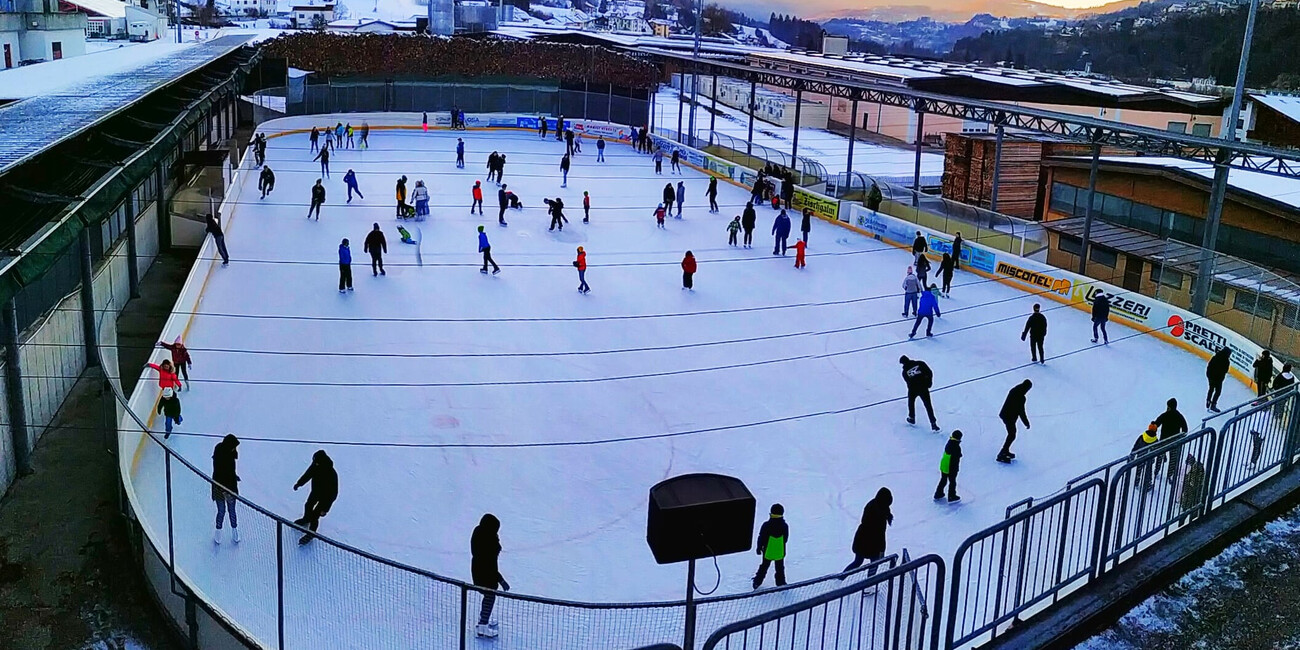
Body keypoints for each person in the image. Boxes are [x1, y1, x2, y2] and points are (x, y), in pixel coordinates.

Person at [471, 514, 511, 638]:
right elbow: (490, 567)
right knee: (489, 597)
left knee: (488, 597)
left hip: (479, 571)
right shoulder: (488, 545)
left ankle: (484, 621)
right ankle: (482, 627)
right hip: (485, 575)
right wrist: (501, 580)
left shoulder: (480, 533)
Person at [841, 488, 893, 577]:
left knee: (867, 563)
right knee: (865, 562)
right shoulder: (875, 510)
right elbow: (879, 532)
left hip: (869, 542)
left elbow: (880, 532)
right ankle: (842, 578)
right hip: (866, 541)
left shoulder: (881, 508)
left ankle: (867, 584)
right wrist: (882, 549)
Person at [292, 450, 338, 545]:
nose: (314, 463)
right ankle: (306, 519)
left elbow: (333, 493)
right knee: (308, 505)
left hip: (325, 498)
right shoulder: (316, 465)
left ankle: (311, 533)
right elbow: (308, 475)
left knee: (315, 515)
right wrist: (299, 484)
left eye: (316, 462)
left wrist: (325, 509)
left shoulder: (331, 473)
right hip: (315, 492)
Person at [752, 503, 788, 589]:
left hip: (768, 550)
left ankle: (757, 582)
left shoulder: (766, 525)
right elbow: (785, 539)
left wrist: (759, 547)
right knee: (780, 568)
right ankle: (781, 583)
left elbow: (761, 537)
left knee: (764, 566)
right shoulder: (784, 526)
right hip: (779, 551)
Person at [212, 434, 240, 544]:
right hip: (220, 487)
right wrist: (225, 489)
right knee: (222, 511)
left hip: (228, 487)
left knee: (231, 511)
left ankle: (234, 530)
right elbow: (221, 472)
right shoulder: (222, 453)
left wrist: (234, 476)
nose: (235, 449)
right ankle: (218, 531)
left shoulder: (229, 453)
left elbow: (230, 471)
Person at [900, 355, 940, 431]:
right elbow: (929, 372)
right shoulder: (920, 363)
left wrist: (913, 388)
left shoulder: (905, 372)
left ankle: (912, 417)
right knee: (928, 406)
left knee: (911, 403)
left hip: (913, 389)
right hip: (923, 388)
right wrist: (929, 382)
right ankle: (933, 423)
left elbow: (908, 382)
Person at [998, 380, 1033, 462]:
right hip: (1009, 416)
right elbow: (1021, 411)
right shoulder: (1021, 397)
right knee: (1012, 434)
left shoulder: (1014, 390)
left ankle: (1005, 451)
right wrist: (1026, 422)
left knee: (1012, 434)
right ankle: (1002, 453)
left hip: (1006, 414)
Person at [1155, 397, 1189, 481]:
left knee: (1159, 456)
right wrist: (1181, 437)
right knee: (1173, 459)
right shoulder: (1179, 416)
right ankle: (1170, 475)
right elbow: (1185, 429)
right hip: (1174, 441)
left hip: (1163, 441)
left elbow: (1156, 424)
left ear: (1169, 407)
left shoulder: (1165, 415)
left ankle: (1156, 471)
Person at [1132, 422, 1161, 490]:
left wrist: (1132, 454)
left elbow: (1136, 446)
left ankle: (1137, 482)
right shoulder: (1155, 440)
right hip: (1149, 458)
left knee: (1139, 470)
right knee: (1149, 471)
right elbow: (1158, 449)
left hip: (1140, 457)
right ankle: (1148, 484)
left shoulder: (1142, 436)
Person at [1178, 454, 1206, 525]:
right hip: (1193, 493)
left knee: (1189, 511)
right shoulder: (1196, 467)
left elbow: (1194, 483)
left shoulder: (1196, 469)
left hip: (1193, 493)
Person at [935, 431, 963, 502]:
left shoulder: (949, 442)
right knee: (952, 482)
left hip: (944, 465)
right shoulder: (956, 446)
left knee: (943, 480)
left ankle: (938, 493)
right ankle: (951, 496)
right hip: (950, 467)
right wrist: (956, 469)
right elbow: (956, 459)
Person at [1206, 346, 1231, 412]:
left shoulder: (1215, 357)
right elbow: (1225, 371)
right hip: (1218, 379)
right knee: (1218, 391)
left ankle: (1208, 400)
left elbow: (1209, 366)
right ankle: (1213, 405)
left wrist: (1209, 375)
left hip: (1211, 377)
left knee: (1211, 389)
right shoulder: (1226, 361)